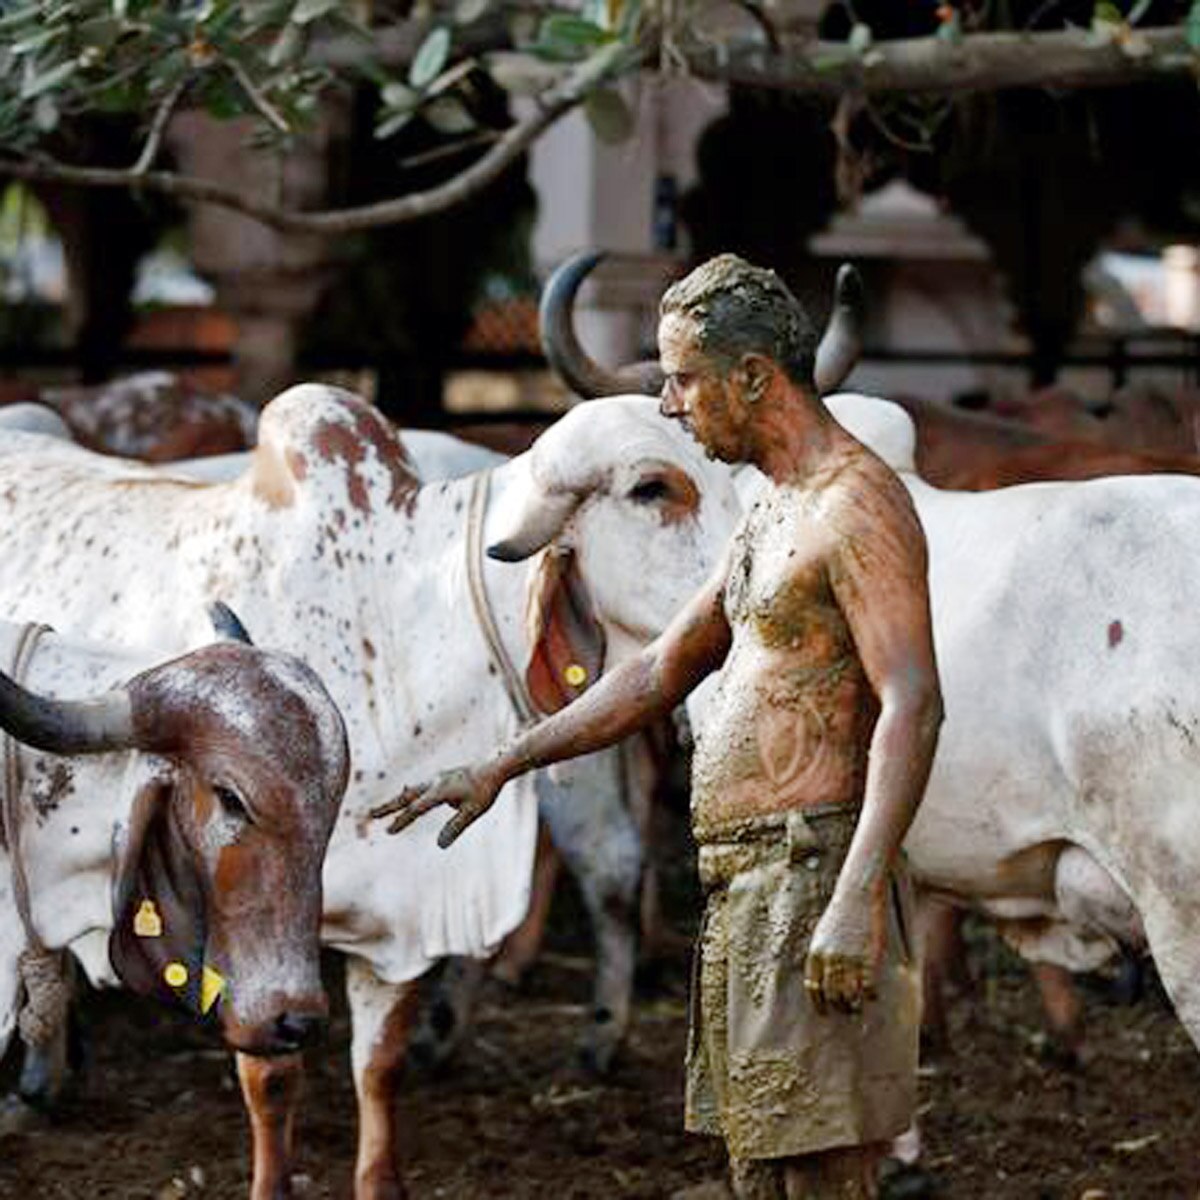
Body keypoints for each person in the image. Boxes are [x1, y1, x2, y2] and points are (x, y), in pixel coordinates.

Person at [372, 254, 943, 1198]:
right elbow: (659, 668)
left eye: (682, 379)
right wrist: (502, 762)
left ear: (753, 377)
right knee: (762, 1169)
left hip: (812, 874)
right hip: (746, 888)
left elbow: (913, 702)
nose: (670, 405)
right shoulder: (774, 507)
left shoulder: (857, 506)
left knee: (822, 1174)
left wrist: (855, 895)